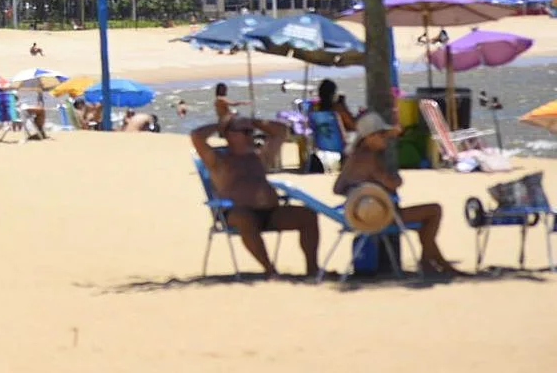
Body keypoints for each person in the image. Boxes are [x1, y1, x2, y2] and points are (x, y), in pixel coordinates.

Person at [191, 116, 320, 277]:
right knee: (245, 219)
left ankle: (312, 269)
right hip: (235, 213)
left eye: (251, 132)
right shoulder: (218, 160)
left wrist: (254, 122)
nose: (250, 135)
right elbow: (196, 136)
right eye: (245, 132)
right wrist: (221, 125)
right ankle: (270, 269)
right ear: (229, 135)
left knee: (307, 216)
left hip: (270, 212)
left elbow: (281, 131)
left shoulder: (260, 157)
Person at [335, 111, 459, 274]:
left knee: (426, 221)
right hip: (377, 217)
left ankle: (433, 262)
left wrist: (359, 191)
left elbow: (337, 188)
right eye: (382, 135)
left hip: (357, 214)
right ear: (369, 137)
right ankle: (431, 262)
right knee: (434, 210)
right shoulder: (370, 159)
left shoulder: (353, 157)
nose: (386, 138)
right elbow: (395, 183)